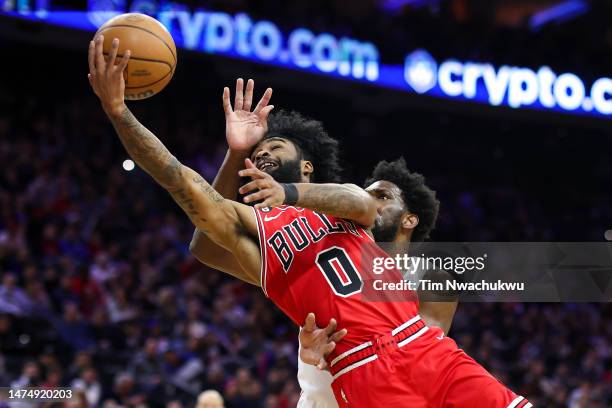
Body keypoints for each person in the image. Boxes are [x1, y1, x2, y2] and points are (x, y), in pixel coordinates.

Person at [88, 35, 530, 407]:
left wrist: (290, 195)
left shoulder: (354, 212)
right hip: (354, 370)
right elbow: (188, 202)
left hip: (417, 346)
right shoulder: (258, 227)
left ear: (306, 165)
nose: (264, 153)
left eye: (274, 147)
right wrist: (121, 114)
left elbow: (360, 202)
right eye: (259, 154)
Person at [188, 79, 458, 407]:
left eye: (382, 197)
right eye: (367, 193)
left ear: (409, 219)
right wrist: (237, 154)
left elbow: (424, 364)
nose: (370, 201)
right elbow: (206, 248)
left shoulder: (429, 278)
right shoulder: (316, 253)